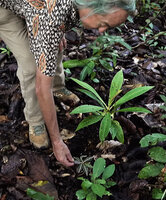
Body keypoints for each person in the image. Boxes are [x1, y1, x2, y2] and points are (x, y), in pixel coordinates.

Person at [0, 0, 136, 167]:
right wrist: (57, 141)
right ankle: (35, 121)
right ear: (92, 7)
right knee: (31, 66)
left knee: (53, 43)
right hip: (5, 9)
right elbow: (42, 88)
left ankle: (57, 87)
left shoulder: (72, 9)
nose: (101, 30)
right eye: (103, 23)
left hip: (38, 10)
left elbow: (53, 20)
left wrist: (56, 31)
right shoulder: (51, 19)